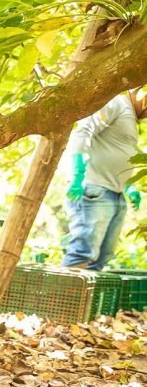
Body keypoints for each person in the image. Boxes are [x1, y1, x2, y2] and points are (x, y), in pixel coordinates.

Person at [63, 87, 144, 270]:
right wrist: (77, 173)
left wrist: (129, 184)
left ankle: (81, 299)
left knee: (101, 258)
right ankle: (62, 298)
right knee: (83, 252)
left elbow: (121, 150)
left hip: (115, 193)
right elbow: (83, 130)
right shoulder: (117, 102)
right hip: (94, 188)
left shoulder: (130, 117)